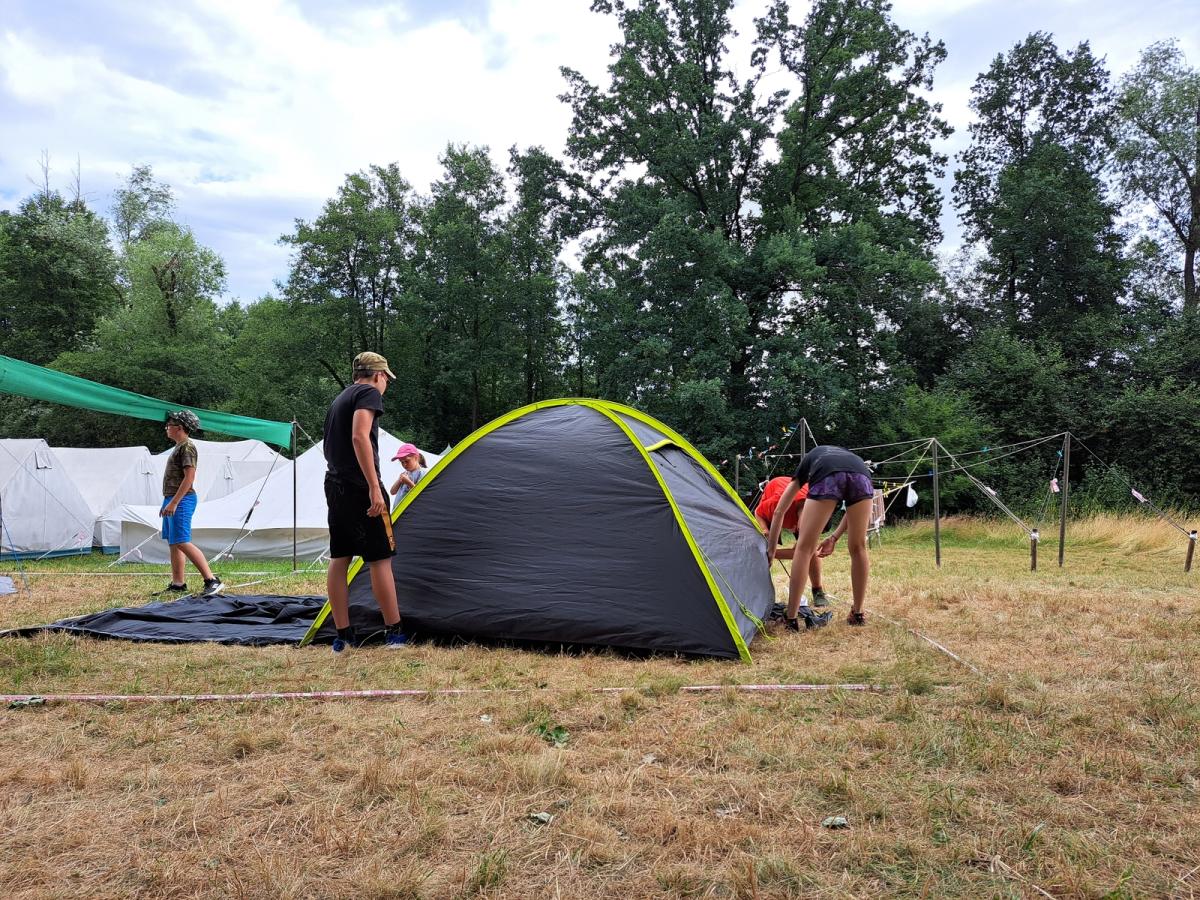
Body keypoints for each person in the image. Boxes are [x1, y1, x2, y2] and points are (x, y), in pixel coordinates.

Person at [323, 351, 407, 652]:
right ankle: (394, 633)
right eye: (386, 379)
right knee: (380, 558)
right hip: (360, 485)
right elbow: (359, 436)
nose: (385, 385)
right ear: (378, 375)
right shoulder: (368, 394)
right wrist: (373, 486)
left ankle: (343, 636)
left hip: (334, 484)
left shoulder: (340, 399)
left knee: (340, 557)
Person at [765, 445, 873, 630]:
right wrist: (834, 538)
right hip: (862, 474)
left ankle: (791, 619)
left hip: (827, 474)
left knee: (804, 549)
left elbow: (779, 511)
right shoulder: (848, 458)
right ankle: (858, 613)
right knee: (859, 547)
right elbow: (852, 511)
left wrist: (771, 551)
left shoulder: (808, 462)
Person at [155, 410, 224, 598]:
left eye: (169, 424)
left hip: (183, 499)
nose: (166, 427)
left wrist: (174, 502)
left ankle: (212, 580)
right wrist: (167, 501)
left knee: (182, 541)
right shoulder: (179, 447)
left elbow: (189, 478)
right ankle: (178, 584)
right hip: (173, 498)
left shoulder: (187, 447)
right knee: (174, 542)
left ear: (179, 427)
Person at [754, 475, 830, 610]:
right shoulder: (776, 504)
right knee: (768, 540)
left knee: (811, 550)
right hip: (777, 491)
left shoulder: (819, 504)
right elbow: (758, 512)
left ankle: (817, 590)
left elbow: (801, 553)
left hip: (800, 503)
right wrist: (765, 529)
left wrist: (770, 553)